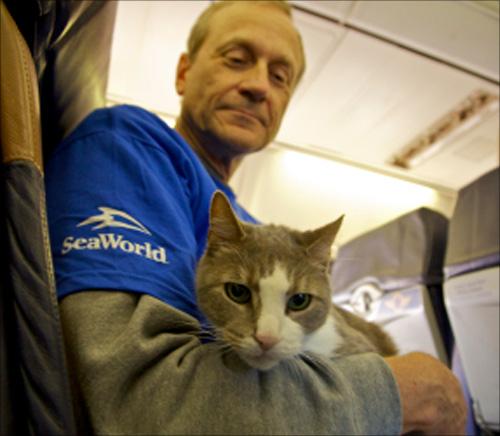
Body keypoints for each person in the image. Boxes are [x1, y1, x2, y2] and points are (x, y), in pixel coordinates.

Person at [45, 1, 466, 434]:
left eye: (279, 76)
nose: (258, 86)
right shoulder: (130, 148)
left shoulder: (259, 230)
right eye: (237, 59)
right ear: (184, 72)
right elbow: (138, 404)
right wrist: (402, 392)